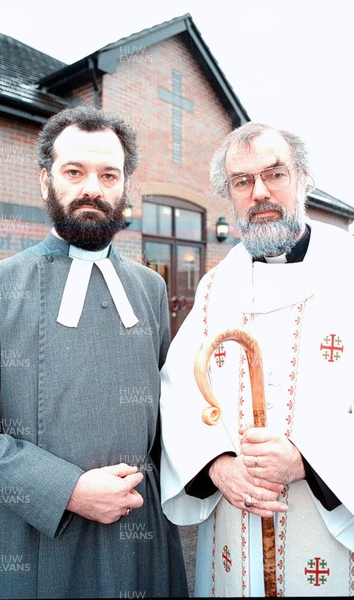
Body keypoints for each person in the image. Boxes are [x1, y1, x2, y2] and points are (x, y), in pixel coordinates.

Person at [0, 105, 188, 599]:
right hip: (38, 539)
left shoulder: (150, 287)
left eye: (109, 174)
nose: (93, 188)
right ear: (46, 181)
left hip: (142, 531)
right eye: (74, 172)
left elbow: (169, 409)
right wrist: (68, 491)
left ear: (124, 186)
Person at [160, 122, 354, 597]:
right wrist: (217, 464)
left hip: (326, 524)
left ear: (303, 178)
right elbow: (178, 392)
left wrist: (309, 460)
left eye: (275, 174)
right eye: (242, 181)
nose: (260, 192)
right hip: (235, 524)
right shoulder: (213, 289)